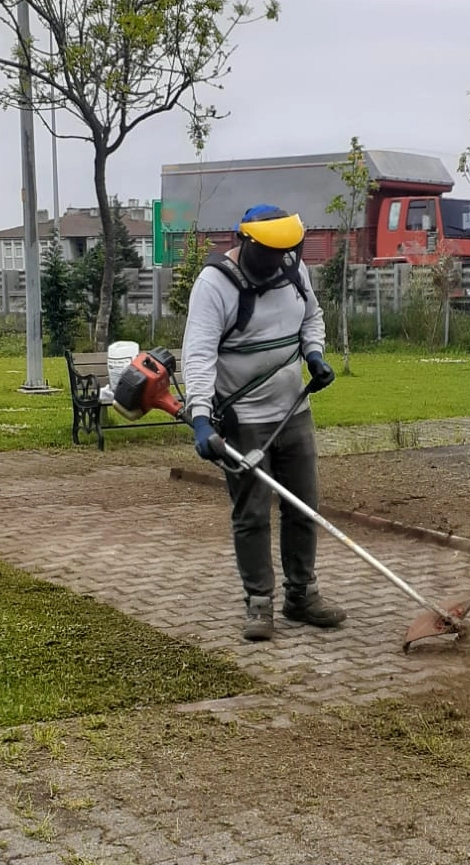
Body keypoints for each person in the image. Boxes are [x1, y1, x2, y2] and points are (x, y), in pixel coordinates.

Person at [182, 204, 346, 642]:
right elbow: (198, 354)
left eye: (284, 252)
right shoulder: (214, 284)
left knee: (303, 505)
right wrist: (201, 417)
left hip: (293, 410)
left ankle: (302, 595)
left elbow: (311, 316)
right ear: (246, 242)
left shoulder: (294, 269)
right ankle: (258, 603)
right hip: (244, 419)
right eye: (269, 253)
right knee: (253, 512)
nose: (277, 261)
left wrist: (314, 354)